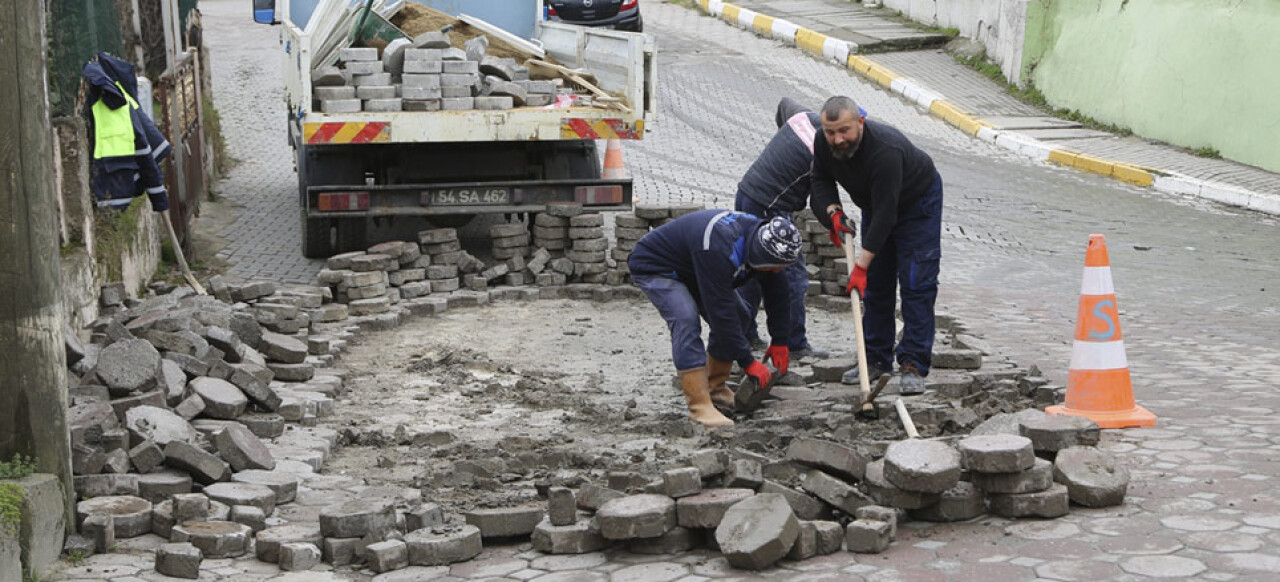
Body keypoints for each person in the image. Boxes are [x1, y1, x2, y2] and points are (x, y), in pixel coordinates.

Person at [809, 96, 943, 395]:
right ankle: (876, 359)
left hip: (917, 203)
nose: (837, 139)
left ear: (860, 122)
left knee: (916, 282)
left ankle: (913, 365)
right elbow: (819, 180)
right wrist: (833, 214)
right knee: (877, 286)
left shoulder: (885, 150)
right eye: (831, 132)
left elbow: (886, 214)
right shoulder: (823, 141)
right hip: (876, 203)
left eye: (844, 130)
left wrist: (860, 266)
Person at [629, 210, 804, 428]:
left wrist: (780, 340)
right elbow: (721, 312)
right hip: (659, 267)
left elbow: (778, 293)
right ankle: (699, 406)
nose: (779, 272)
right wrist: (747, 361)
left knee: (740, 315)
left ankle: (716, 388)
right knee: (686, 318)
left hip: (696, 267)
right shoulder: (720, 248)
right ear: (761, 256)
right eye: (776, 267)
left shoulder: (766, 244)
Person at [734, 97, 833, 359]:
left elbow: (783, 103)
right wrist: (832, 221)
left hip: (747, 193)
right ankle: (794, 344)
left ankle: (744, 335)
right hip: (768, 206)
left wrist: (782, 133)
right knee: (792, 276)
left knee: (751, 271)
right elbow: (822, 195)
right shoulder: (823, 152)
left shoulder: (801, 116)